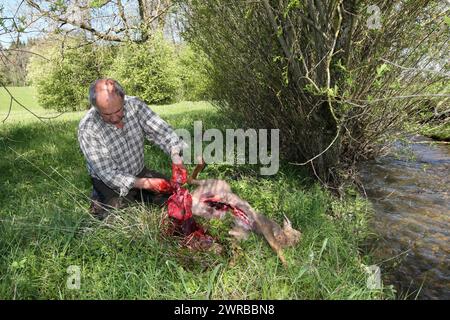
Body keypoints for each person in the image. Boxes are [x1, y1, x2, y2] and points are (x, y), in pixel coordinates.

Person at [78, 78, 187, 219]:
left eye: (118, 110)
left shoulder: (135, 105)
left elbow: (162, 132)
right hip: (108, 183)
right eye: (106, 114)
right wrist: (144, 184)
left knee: (175, 196)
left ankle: (139, 194)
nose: (114, 118)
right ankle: (99, 199)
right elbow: (108, 173)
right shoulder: (88, 127)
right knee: (122, 219)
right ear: (96, 108)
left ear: (123, 99)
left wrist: (176, 154)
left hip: (139, 172)